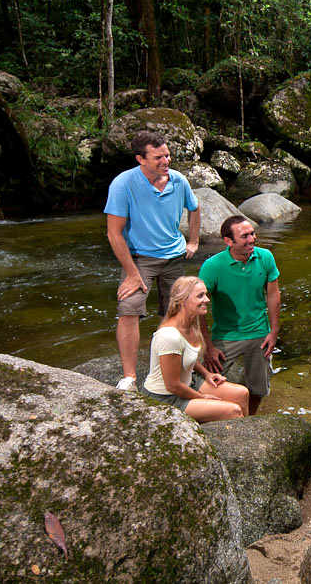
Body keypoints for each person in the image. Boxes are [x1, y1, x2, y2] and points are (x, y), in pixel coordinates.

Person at [105, 131, 200, 392]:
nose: (166, 160)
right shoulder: (123, 184)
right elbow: (114, 233)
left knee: (178, 315)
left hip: (173, 258)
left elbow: (195, 207)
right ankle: (129, 377)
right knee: (129, 308)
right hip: (139, 259)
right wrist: (132, 274)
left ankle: (170, 374)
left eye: (167, 155)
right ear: (141, 159)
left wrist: (193, 242)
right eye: (159, 157)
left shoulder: (179, 181)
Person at [198, 215, 280, 415]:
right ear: (228, 241)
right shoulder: (212, 266)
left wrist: (274, 331)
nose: (252, 239)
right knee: (208, 384)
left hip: (259, 334)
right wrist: (208, 346)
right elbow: (197, 307)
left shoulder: (266, 257)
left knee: (259, 389)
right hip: (225, 336)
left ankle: (248, 421)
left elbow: (273, 295)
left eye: (252, 233)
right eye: (245, 236)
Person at [141, 276, 249, 423]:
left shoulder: (192, 323)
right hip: (166, 398)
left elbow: (186, 356)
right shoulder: (169, 336)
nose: (207, 300)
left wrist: (207, 374)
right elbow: (172, 385)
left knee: (242, 393)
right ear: (182, 301)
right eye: (200, 296)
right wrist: (201, 397)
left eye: (205, 294)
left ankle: (247, 432)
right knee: (233, 411)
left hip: (187, 383)